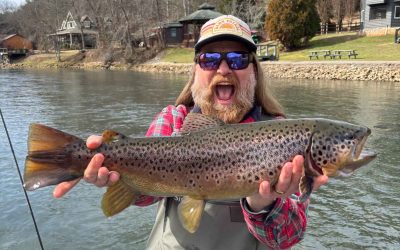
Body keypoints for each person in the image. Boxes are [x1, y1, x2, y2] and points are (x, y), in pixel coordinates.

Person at [53, 15, 328, 249]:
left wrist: (262, 203)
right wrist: (112, 174)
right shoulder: (173, 120)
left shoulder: (283, 134)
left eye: (237, 58)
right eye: (209, 60)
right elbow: (148, 195)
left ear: (254, 71)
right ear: (195, 71)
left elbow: (289, 235)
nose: (223, 69)